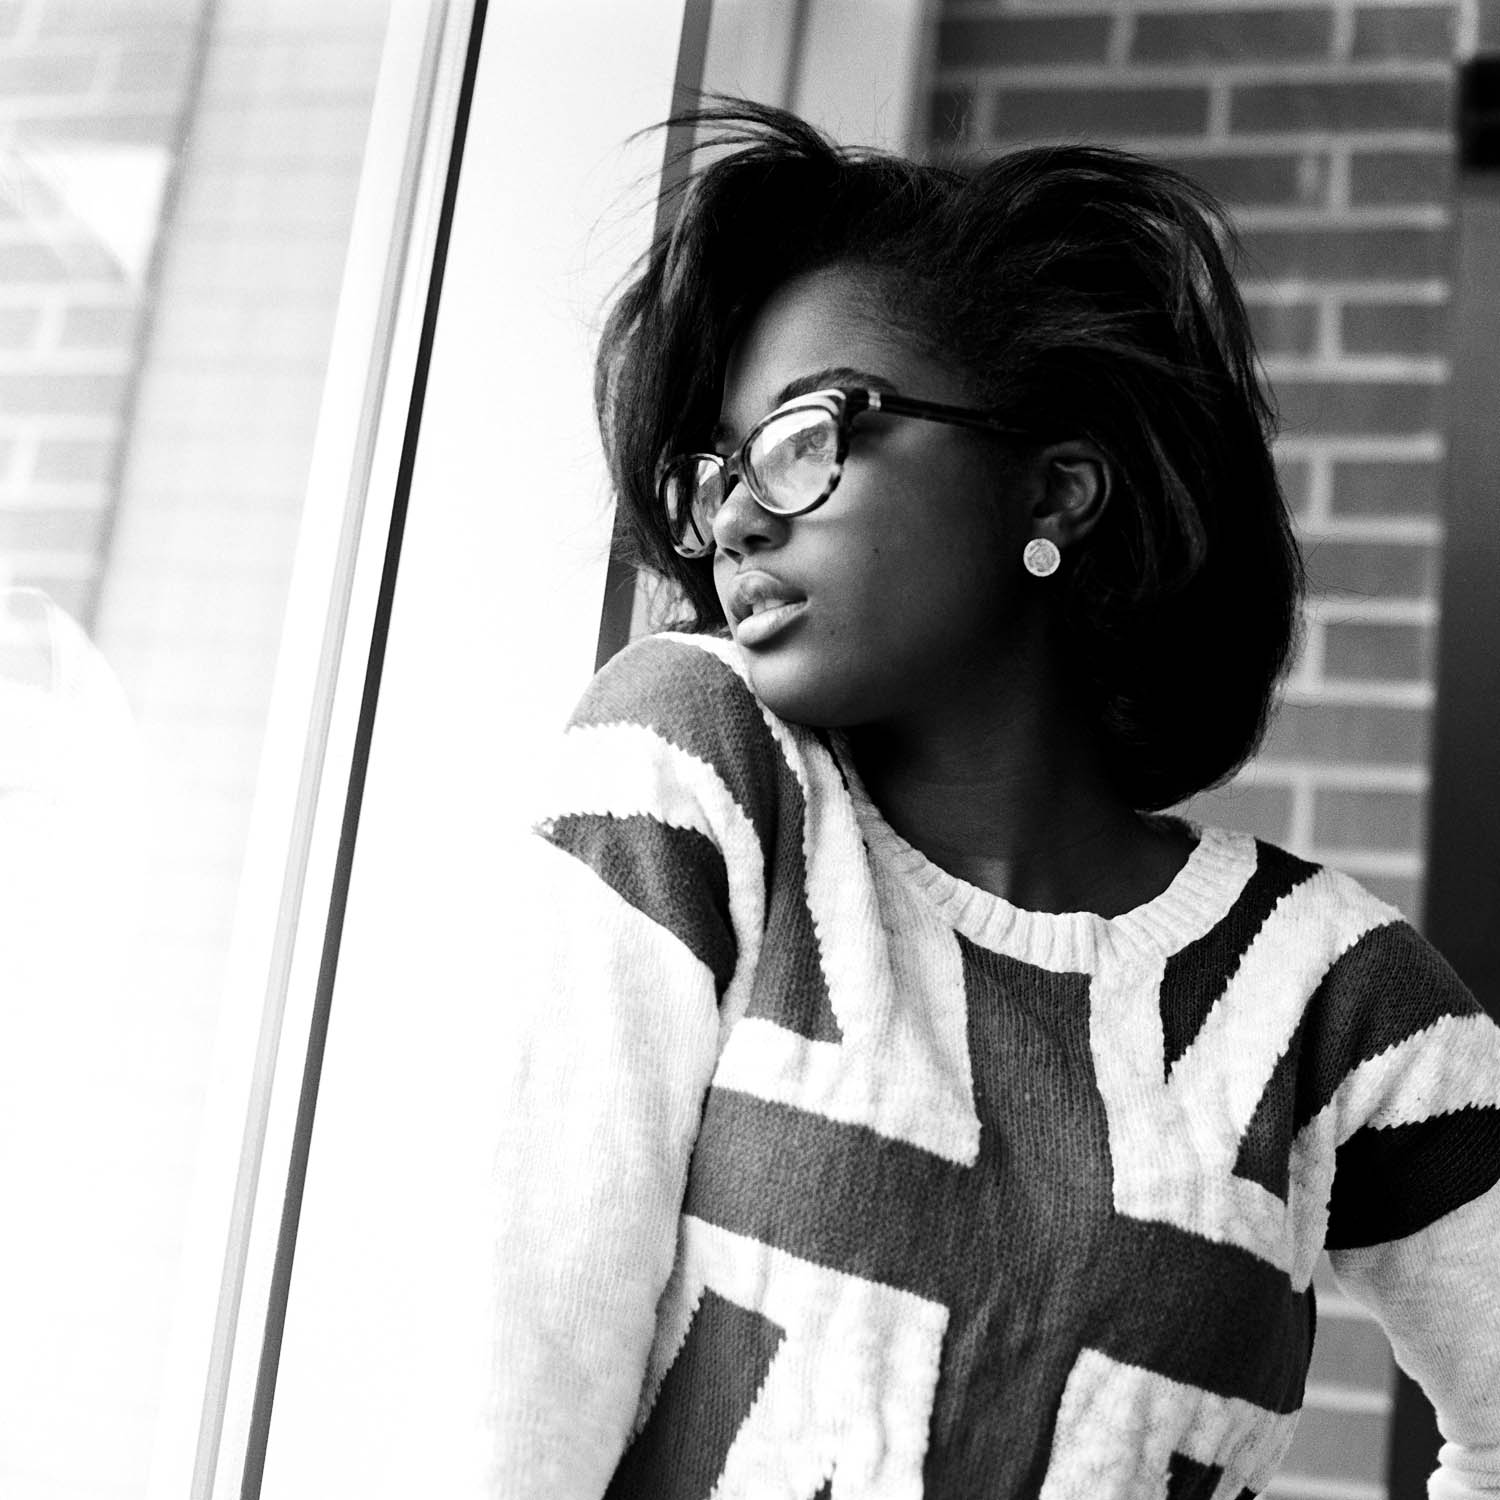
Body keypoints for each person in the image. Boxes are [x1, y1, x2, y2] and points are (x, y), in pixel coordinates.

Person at [493, 101, 1500, 1499]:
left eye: (804, 436)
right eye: (717, 471)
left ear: (1058, 486)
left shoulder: (1329, 996)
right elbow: (505, 1392)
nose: (734, 519)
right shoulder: (699, 771)